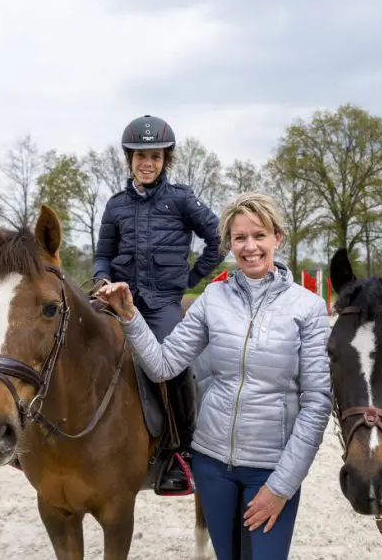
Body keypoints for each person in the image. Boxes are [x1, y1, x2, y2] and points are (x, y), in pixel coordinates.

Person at [95, 192, 332, 560]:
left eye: (259, 235)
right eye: (240, 238)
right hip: (212, 466)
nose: (250, 247)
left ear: (277, 238)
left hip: (270, 469)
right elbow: (163, 365)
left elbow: (317, 405)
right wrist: (130, 316)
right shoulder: (213, 298)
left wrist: (282, 486)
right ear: (229, 244)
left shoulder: (309, 308)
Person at [93, 114, 224, 496]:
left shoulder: (181, 200)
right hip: (119, 299)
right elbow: (103, 255)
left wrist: (190, 279)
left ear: (166, 159)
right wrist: (102, 281)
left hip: (162, 304)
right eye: (140, 156)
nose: (146, 163)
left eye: (154, 156)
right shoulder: (116, 206)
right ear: (129, 159)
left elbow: (218, 239)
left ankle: (181, 449)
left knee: (173, 367)